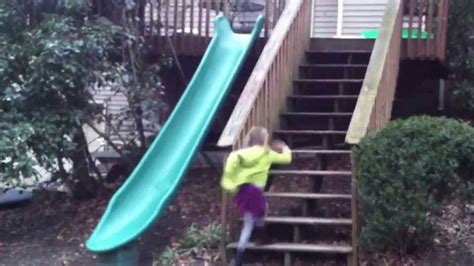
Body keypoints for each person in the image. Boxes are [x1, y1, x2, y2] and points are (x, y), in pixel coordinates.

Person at [220, 126, 292, 266]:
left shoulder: (240, 154)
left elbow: (231, 167)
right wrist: (284, 147)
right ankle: (240, 257)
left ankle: (261, 236)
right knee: (250, 222)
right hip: (255, 191)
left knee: (260, 211)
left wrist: (232, 182)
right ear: (264, 139)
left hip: (243, 189)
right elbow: (286, 159)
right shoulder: (266, 153)